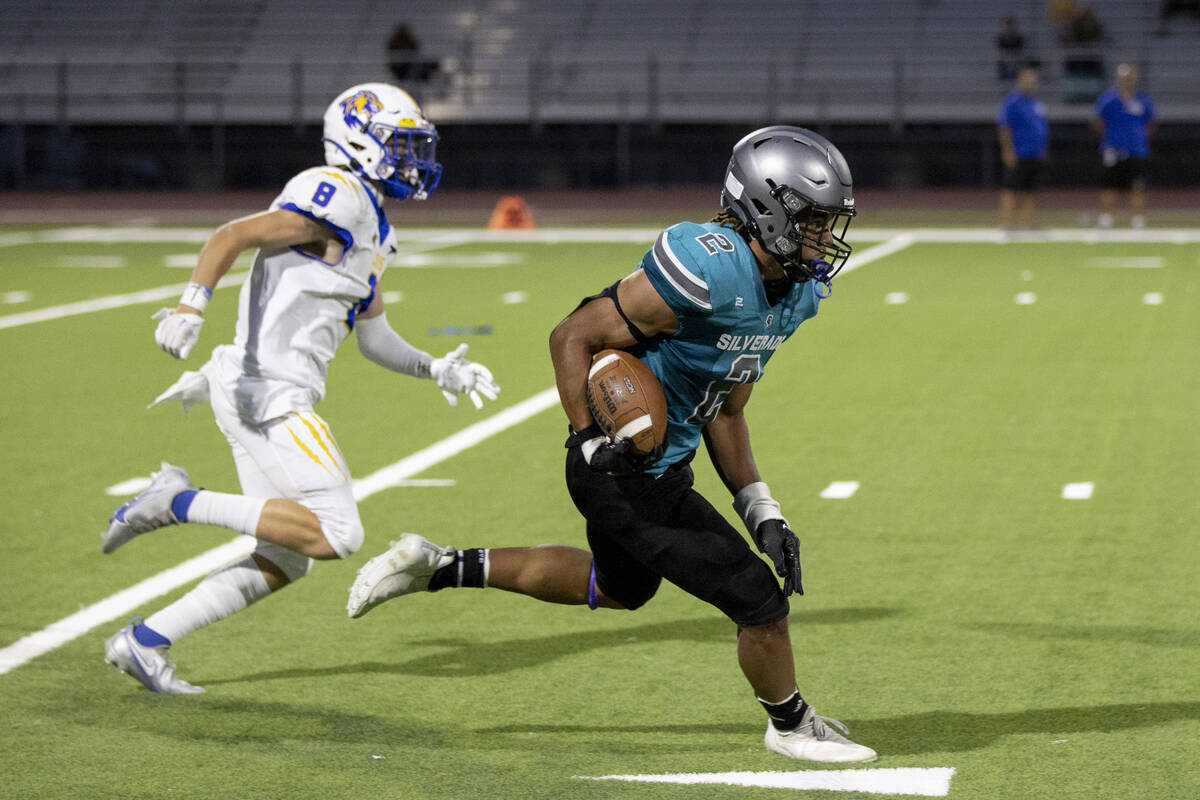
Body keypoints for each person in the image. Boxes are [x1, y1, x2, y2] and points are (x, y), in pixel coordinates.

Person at [347, 126, 878, 764]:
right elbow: (570, 334)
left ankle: (437, 565)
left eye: (829, 223)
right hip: (619, 462)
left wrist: (760, 507)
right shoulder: (709, 264)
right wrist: (587, 439)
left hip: (661, 463)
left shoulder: (794, 294)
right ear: (764, 208)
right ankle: (791, 725)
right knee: (756, 599)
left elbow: (727, 409)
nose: (825, 238)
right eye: (813, 221)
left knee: (620, 588)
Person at [100, 82, 500, 694]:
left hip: (255, 391)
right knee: (339, 534)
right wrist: (191, 305)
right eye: (399, 144)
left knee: (286, 557)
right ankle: (174, 501)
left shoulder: (374, 226)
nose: (411, 159)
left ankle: (144, 641)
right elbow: (231, 235)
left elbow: (374, 336)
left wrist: (434, 368)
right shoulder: (337, 193)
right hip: (269, 393)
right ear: (358, 142)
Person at [1092, 64, 1156, 230]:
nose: (1128, 81)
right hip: (1113, 150)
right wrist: (1113, 138)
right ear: (1119, 79)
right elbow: (1098, 122)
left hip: (1137, 151)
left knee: (1138, 186)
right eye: (1125, 78)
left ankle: (1138, 220)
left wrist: (1137, 139)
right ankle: (1105, 219)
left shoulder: (1143, 99)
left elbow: (1150, 123)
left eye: (1131, 78)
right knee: (1109, 185)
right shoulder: (1108, 99)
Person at [996, 65, 1049, 230]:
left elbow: (1041, 127)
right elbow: (1004, 127)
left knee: (1030, 189)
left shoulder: (1036, 103)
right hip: (1018, 152)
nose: (1030, 83)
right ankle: (1006, 222)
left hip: (1035, 153)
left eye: (1033, 80)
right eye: (1027, 79)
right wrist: (1007, 150)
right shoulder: (1011, 102)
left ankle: (1028, 222)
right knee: (1011, 188)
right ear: (1020, 81)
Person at [995, 16, 1026, 81]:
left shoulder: (1019, 38)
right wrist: (1007, 58)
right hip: (1005, 61)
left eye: (1011, 25)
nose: (1009, 27)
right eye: (1007, 25)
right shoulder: (1001, 38)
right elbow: (999, 53)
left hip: (1016, 61)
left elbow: (1021, 53)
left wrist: (1013, 58)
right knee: (1002, 64)